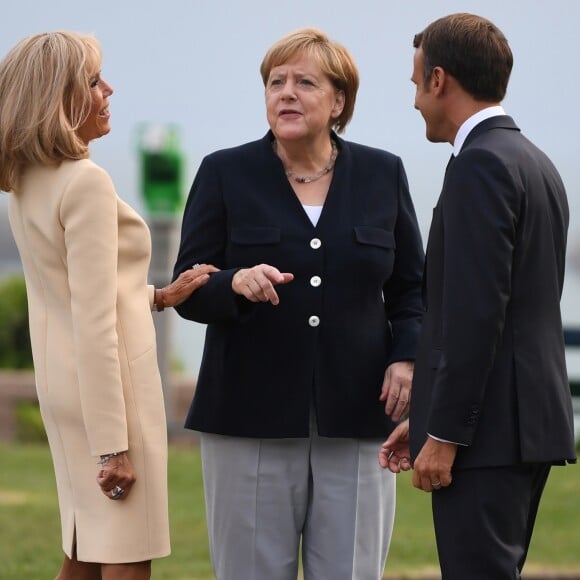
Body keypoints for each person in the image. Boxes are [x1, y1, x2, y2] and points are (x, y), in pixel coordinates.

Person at [172, 27, 424, 580]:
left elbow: (412, 290)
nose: (285, 92)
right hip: (248, 415)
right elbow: (185, 288)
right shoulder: (224, 172)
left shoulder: (384, 173)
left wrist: (407, 358)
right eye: (275, 81)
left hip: (360, 416)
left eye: (304, 82)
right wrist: (233, 282)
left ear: (339, 101)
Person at [0, 32, 217, 580]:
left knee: (81, 555)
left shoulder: (27, 181)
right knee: (122, 559)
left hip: (65, 392)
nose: (109, 90)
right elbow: (95, 323)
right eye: (95, 82)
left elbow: (67, 294)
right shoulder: (86, 182)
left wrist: (160, 295)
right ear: (60, 97)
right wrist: (113, 447)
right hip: (111, 399)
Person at [379, 13, 577, 579]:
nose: (415, 99)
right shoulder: (535, 162)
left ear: (439, 79)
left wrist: (443, 433)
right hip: (522, 426)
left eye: (416, 82)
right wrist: (424, 417)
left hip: (485, 436)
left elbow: (475, 314)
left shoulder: (479, 166)